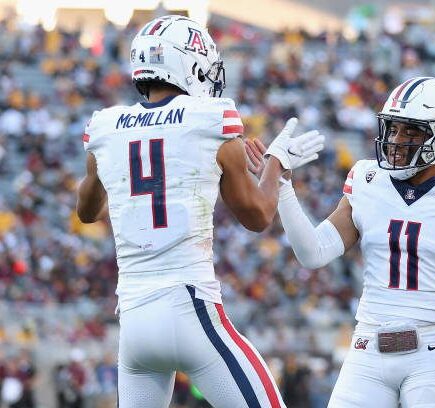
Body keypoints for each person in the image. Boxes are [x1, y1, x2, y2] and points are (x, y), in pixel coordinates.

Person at [76, 15, 324, 408]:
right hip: (190, 308)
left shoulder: (105, 127)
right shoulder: (211, 119)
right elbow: (257, 216)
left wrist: (116, 171)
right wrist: (276, 163)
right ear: (189, 65)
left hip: (135, 321)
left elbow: (87, 211)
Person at [247, 76, 435, 406]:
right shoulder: (367, 179)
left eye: (411, 130)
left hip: (432, 353)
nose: (397, 139)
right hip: (367, 346)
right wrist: (283, 185)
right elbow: (313, 253)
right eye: (394, 128)